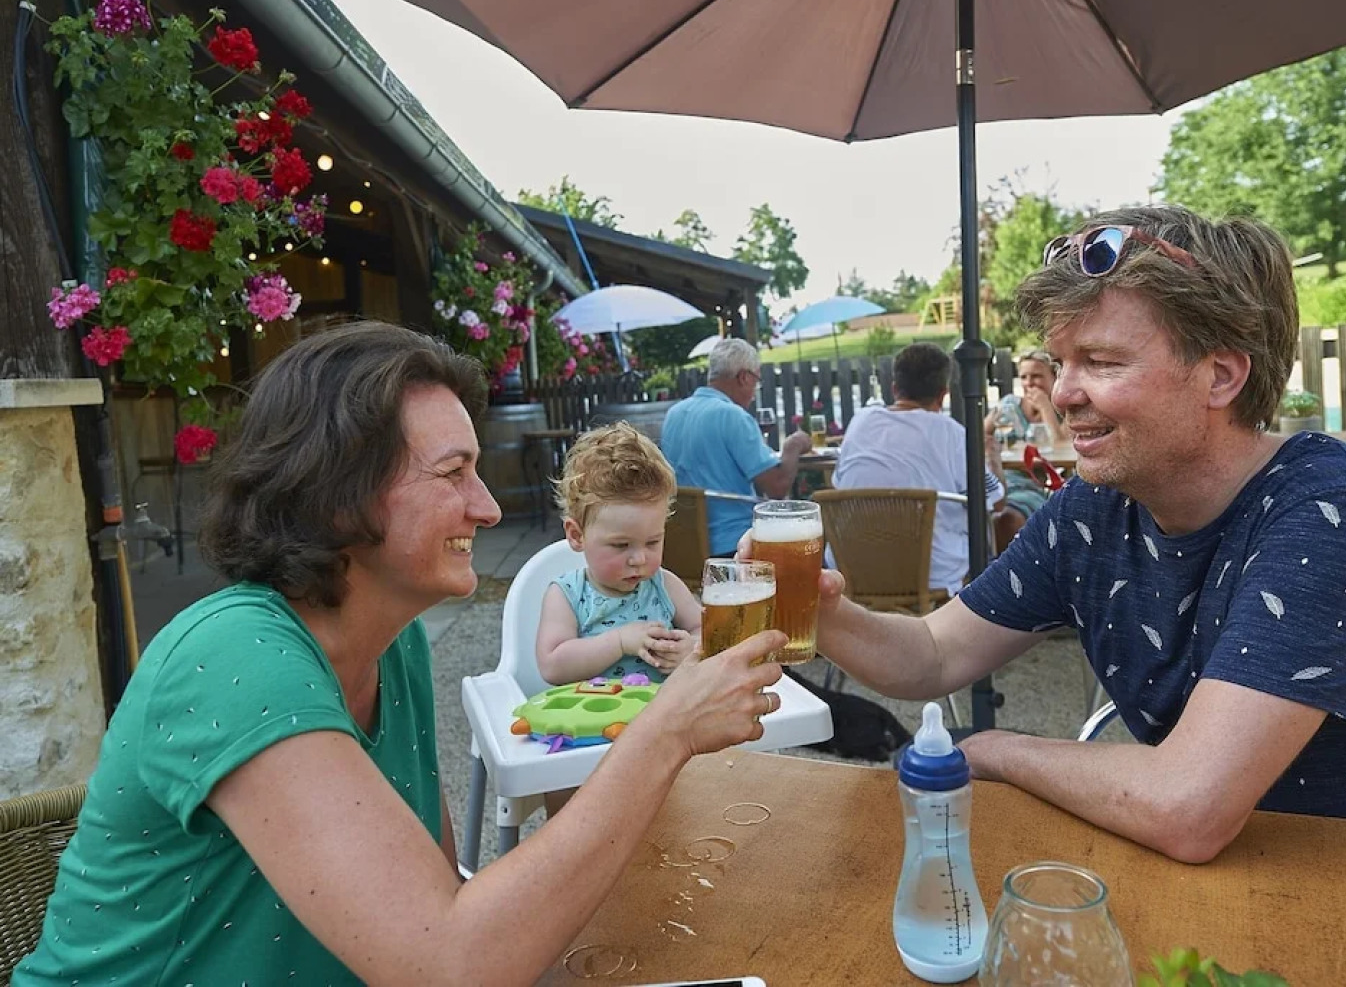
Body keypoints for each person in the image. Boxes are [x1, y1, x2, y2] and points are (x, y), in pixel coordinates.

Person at [13, 322, 786, 986]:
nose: (485, 507)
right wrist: (667, 731)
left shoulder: (396, 644)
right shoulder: (236, 658)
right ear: (339, 489)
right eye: (454, 473)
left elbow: (439, 892)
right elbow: (451, 964)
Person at [784, 206, 1346, 863]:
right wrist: (821, 608)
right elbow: (932, 653)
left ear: (1220, 375)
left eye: (1099, 360)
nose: (1064, 392)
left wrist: (993, 749)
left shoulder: (1338, 509)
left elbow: (1188, 806)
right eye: (1059, 361)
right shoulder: (1093, 511)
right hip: (1207, 885)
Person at [833, 342, 1006, 593]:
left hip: (853, 572)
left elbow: (838, 485)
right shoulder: (952, 434)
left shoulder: (861, 422)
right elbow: (996, 501)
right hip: (934, 576)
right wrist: (994, 458)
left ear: (894, 389)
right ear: (943, 395)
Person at [536, 422, 698, 684]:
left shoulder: (665, 585)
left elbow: (707, 631)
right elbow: (553, 666)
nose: (639, 559)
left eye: (653, 542)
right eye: (621, 545)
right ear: (577, 536)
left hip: (668, 720)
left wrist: (692, 649)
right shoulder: (568, 595)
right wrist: (620, 642)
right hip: (592, 721)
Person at [661, 337, 812, 555]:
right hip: (734, 545)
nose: (754, 392)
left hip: (686, 546)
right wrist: (793, 446)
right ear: (743, 377)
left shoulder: (674, 413)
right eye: (756, 381)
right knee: (808, 552)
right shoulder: (733, 416)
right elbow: (777, 487)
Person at [985, 349, 1071, 546]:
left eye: (1036, 376)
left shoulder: (1064, 410)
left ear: (1054, 376)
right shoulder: (1009, 405)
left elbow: (1063, 448)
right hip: (1004, 479)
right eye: (1024, 377)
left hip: (1042, 485)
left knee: (1006, 519)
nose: (1029, 383)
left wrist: (1045, 409)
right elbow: (979, 436)